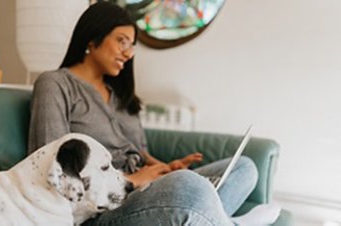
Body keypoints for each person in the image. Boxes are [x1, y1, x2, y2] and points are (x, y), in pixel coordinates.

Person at [28, 2, 258, 225]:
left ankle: (212, 218)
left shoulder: (120, 95)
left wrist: (166, 168)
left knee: (244, 168)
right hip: (102, 208)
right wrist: (129, 181)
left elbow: (140, 153)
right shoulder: (55, 84)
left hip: (142, 189)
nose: (128, 54)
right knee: (191, 187)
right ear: (92, 37)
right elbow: (51, 163)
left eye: (131, 46)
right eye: (121, 41)